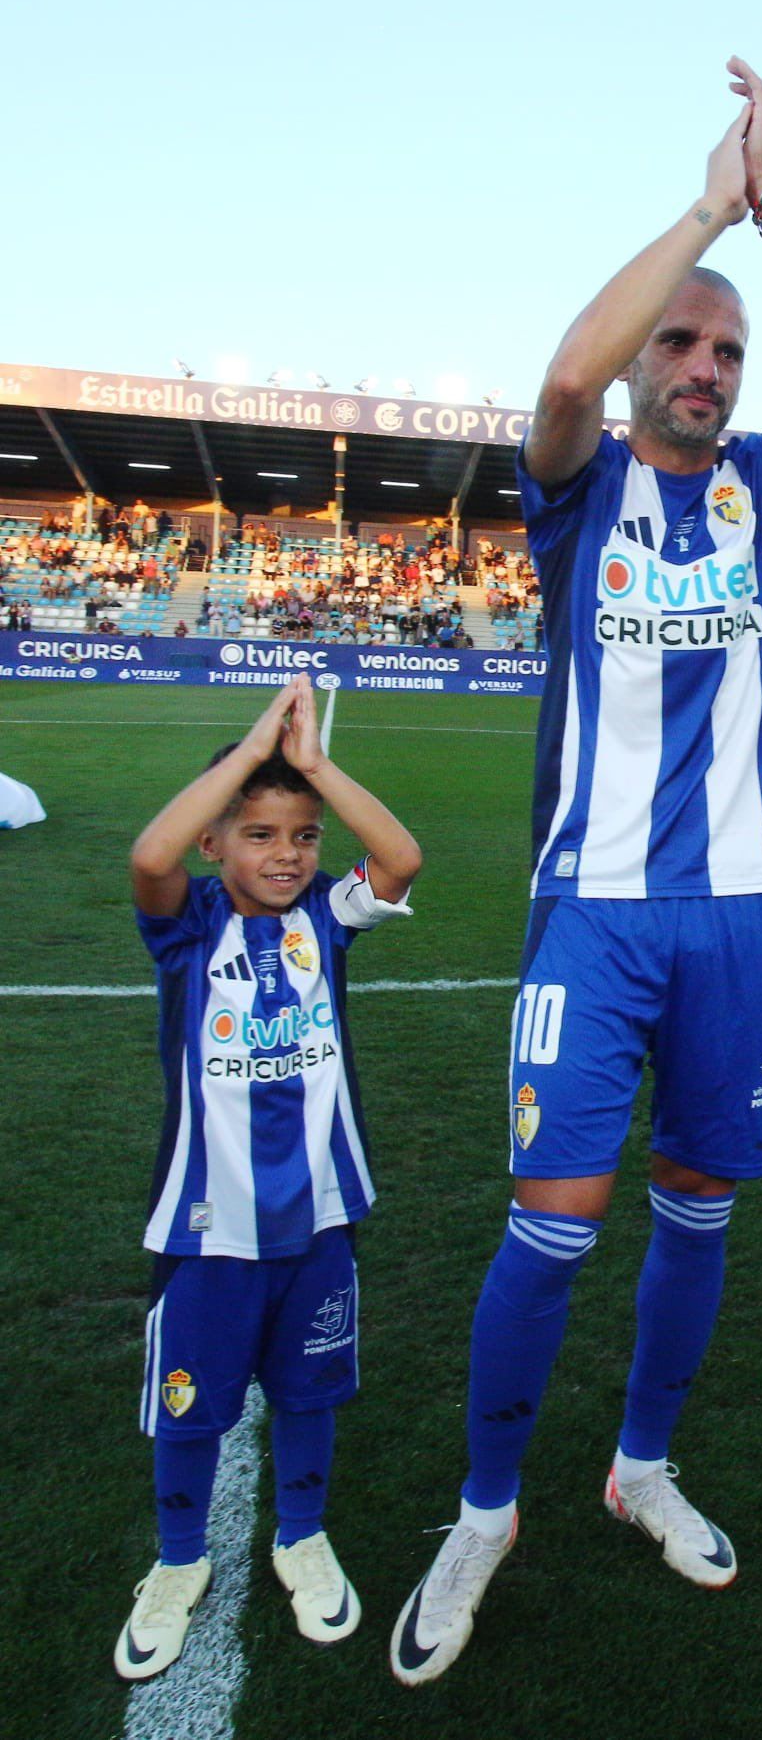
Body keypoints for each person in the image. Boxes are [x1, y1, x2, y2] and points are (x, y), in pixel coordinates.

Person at [390, 55, 762, 1687]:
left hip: (743, 917)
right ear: (640, 371)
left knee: (695, 1210)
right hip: (593, 917)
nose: (699, 367)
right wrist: (697, 212)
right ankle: (484, 1506)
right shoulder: (577, 486)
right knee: (552, 1217)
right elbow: (558, 374)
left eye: (725, 351)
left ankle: (640, 1461)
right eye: (679, 343)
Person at [114, 675, 421, 1680]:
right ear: (218, 844)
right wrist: (250, 757)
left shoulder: (326, 919)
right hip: (208, 1224)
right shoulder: (188, 925)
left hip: (322, 1216)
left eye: (301, 836)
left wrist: (317, 768)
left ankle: (302, 1534)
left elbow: (401, 859)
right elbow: (150, 857)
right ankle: (176, 1560)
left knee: (308, 1392)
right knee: (193, 1401)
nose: (285, 855)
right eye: (258, 834)